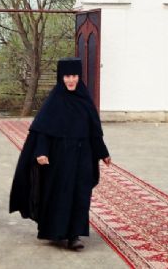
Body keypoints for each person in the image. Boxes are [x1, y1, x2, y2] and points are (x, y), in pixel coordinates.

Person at [9, 57, 111, 250]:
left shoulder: (85, 100)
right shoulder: (54, 101)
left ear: (79, 77)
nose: (71, 80)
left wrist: (103, 152)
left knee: (80, 194)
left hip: (82, 156)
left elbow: (94, 131)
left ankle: (74, 236)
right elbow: (42, 130)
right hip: (60, 158)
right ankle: (56, 231)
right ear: (60, 77)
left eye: (74, 76)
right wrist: (41, 151)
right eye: (67, 76)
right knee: (60, 194)